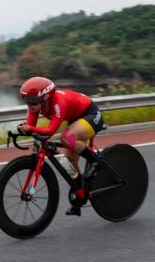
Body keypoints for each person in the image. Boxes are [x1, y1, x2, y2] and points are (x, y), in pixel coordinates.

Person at [16, 76, 105, 216]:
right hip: (76, 119)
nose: (30, 105)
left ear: (45, 98)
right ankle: (80, 191)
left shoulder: (58, 102)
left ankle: (95, 160)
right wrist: (23, 129)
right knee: (68, 162)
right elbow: (31, 126)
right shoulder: (35, 106)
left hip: (91, 114)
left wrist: (30, 128)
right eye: (26, 101)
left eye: (32, 101)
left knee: (66, 138)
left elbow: (51, 130)